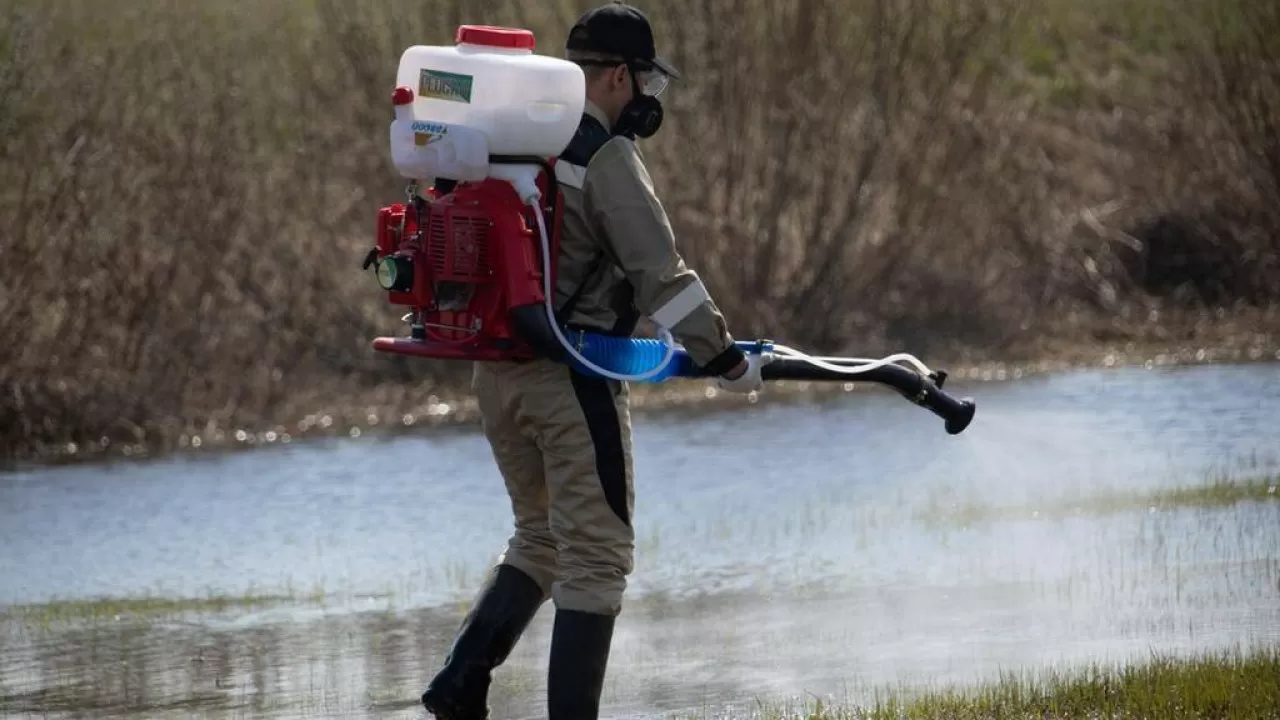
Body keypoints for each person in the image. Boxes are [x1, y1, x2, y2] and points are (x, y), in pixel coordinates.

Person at [420, 3, 767, 719]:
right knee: (599, 558)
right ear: (616, 77)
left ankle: (459, 685)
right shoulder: (604, 157)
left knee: (540, 538)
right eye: (645, 84)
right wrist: (727, 358)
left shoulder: (509, 137)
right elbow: (659, 276)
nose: (646, 101)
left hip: (496, 373)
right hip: (571, 377)